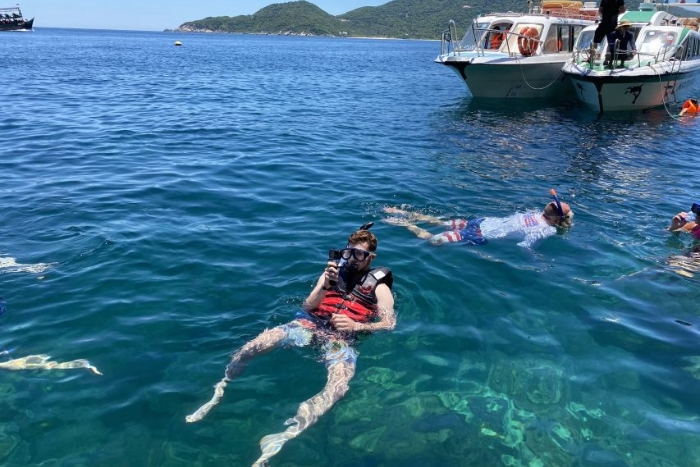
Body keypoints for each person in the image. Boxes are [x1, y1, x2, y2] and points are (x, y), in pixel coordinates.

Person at [186, 224, 396, 467]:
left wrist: (357, 326)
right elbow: (308, 307)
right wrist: (325, 285)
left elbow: (389, 324)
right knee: (256, 344)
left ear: (371, 257)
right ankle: (221, 387)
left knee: (338, 387)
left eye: (359, 255)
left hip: (342, 339)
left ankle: (286, 434)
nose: (352, 260)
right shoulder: (330, 274)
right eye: (348, 253)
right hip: (310, 325)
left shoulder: (380, 287)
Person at [383, 190, 573, 249]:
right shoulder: (547, 229)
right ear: (557, 220)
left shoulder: (532, 213)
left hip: (482, 222)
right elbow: (525, 246)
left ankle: (400, 212)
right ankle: (405, 222)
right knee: (434, 241)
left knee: (438, 221)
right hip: (479, 233)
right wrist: (536, 261)